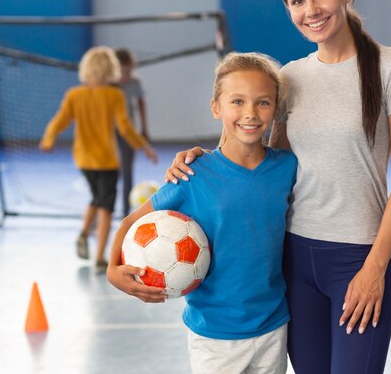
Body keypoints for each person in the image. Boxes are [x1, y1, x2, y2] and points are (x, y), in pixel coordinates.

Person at [164, 0, 391, 373]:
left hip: (358, 260)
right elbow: (265, 158)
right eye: (297, 1)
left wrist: (375, 263)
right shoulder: (292, 77)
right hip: (293, 258)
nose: (311, 10)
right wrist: (203, 159)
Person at [108, 52, 298, 374]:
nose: (250, 113)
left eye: (262, 102)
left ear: (275, 108)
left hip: (273, 326)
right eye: (237, 101)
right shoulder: (192, 175)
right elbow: (130, 222)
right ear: (216, 107)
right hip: (214, 335)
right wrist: (113, 270)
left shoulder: (288, 168)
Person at [39, 46, 157, 274]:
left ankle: (84, 232)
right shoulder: (114, 95)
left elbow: (59, 120)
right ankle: (100, 257)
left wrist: (49, 139)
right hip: (105, 162)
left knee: (96, 198)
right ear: (110, 69)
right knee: (106, 208)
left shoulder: (74, 94)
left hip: (83, 160)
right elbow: (125, 128)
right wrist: (145, 147)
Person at [114, 48, 150, 217]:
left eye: (128, 71)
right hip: (107, 133)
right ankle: (102, 212)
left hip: (127, 132)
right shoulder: (106, 84)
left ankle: (126, 215)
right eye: (121, 71)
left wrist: (144, 128)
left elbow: (141, 103)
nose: (125, 75)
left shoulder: (134, 83)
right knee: (108, 174)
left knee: (127, 172)